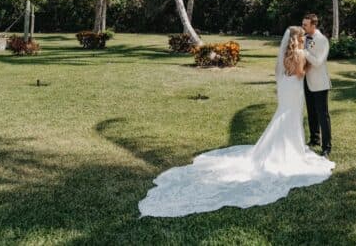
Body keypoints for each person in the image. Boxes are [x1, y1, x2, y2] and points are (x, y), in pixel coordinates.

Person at [138, 26, 335, 217]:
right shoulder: (300, 53)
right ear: (298, 38)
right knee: (290, 118)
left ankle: (281, 146)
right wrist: (307, 63)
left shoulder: (286, 54)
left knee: (283, 116)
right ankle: (291, 148)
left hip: (285, 88)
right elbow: (301, 73)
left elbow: (284, 71)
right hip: (295, 89)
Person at [302, 13, 332, 157]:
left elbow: (318, 62)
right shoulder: (303, 38)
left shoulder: (322, 40)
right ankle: (314, 139)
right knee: (311, 113)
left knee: (323, 115)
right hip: (306, 81)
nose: (303, 27)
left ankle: (326, 147)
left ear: (314, 25)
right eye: (303, 24)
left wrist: (304, 52)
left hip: (320, 83)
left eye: (305, 25)